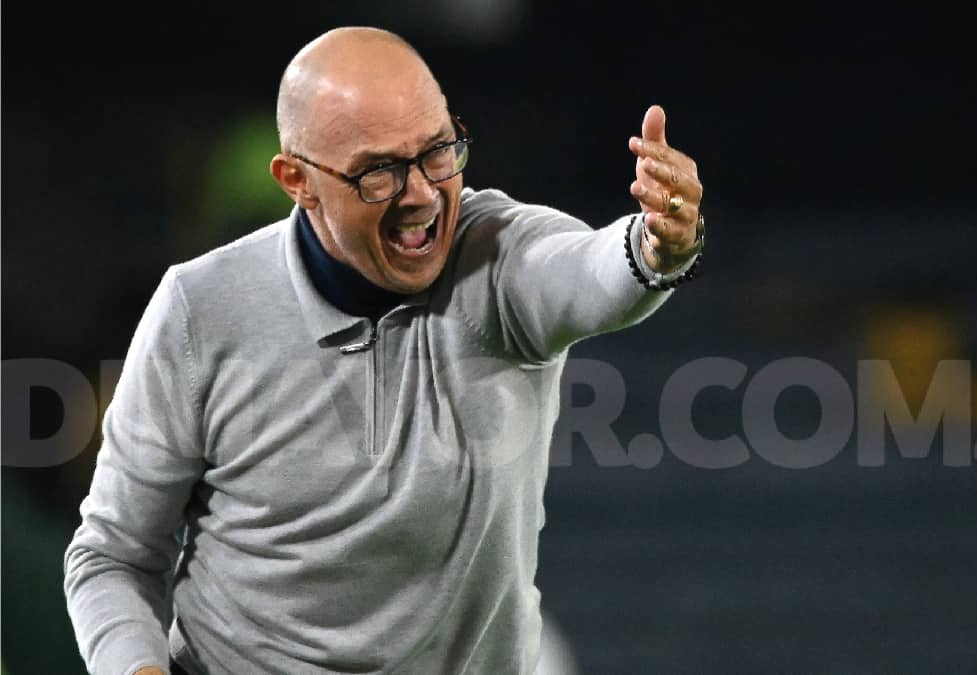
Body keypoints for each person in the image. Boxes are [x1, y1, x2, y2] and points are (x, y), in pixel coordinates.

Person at [64, 26, 705, 675]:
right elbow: (112, 555)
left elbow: (591, 271)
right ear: (297, 180)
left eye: (438, 152)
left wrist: (657, 246)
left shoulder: (499, 254)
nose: (423, 192)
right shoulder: (199, 309)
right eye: (379, 171)